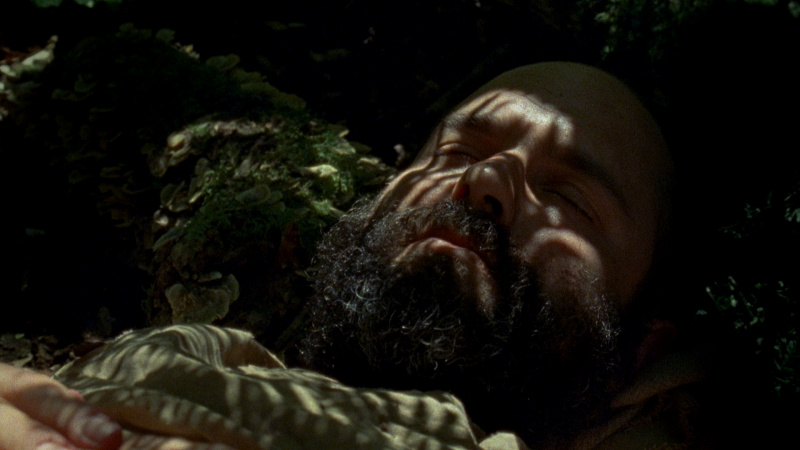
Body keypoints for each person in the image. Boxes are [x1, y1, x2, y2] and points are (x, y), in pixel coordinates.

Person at [0, 62, 691, 449]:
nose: (487, 179)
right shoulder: (177, 355)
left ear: (641, 349)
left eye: (571, 199)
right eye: (458, 151)